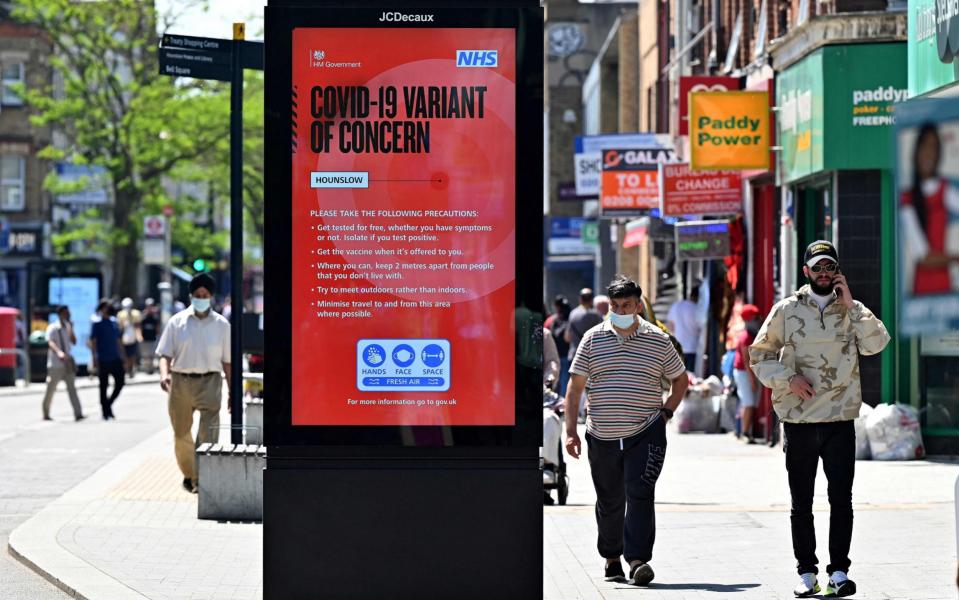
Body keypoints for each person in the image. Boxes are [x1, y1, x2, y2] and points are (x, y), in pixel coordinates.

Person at [749, 240, 890, 598]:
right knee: (802, 502)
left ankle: (839, 572)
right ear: (806, 272)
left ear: (838, 271)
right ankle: (807, 573)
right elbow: (759, 355)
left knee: (842, 499)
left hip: (840, 419)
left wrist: (852, 304)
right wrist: (787, 378)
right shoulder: (786, 310)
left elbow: (876, 345)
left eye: (830, 267)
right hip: (799, 420)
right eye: (818, 267)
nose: (825, 273)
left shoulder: (851, 310)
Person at [565, 275, 688, 587]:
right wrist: (570, 431)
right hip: (601, 434)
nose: (620, 309)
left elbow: (680, 379)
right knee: (610, 500)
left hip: (646, 431)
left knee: (640, 493)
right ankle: (611, 557)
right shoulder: (592, 339)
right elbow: (575, 388)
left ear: (638, 305)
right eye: (615, 305)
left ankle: (637, 561)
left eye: (627, 305)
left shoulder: (658, 340)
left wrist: (666, 412)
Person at [156, 273, 232, 494]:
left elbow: (227, 362)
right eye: (197, 295)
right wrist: (164, 375)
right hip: (181, 382)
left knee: (209, 433)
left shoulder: (222, 325)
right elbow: (164, 354)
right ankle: (190, 474)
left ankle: (203, 478)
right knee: (181, 433)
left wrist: (231, 391)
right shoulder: (176, 322)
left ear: (211, 297)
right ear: (191, 296)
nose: (201, 298)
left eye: (205, 295)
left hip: (210, 381)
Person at [900, 123, 959, 295]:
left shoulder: (944, 190)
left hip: (945, 286)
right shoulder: (907, 200)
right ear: (916, 153)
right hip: (923, 290)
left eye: (934, 147)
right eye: (925, 146)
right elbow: (923, 257)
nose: (929, 153)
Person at [566, 288, 603, 423]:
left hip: (575, 354)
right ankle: (587, 412)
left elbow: (568, 336)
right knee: (591, 385)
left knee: (575, 387)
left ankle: (578, 413)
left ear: (580, 299)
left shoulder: (573, 314)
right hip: (593, 356)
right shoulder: (596, 315)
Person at [42, 306, 84, 421]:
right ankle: (45, 412)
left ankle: (78, 413)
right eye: (66, 313)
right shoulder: (53, 327)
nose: (68, 315)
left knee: (72, 388)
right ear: (61, 314)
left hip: (67, 363)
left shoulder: (68, 327)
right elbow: (50, 342)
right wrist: (59, 352)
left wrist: (72, 328)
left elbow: (74, 342)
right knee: (51, 388)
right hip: (56, 363)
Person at [89, 299, 125, 420]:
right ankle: (105, 411)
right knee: (103, 386)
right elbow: (93, 342)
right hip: (103, 358)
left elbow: (118, 340)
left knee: (120, 382)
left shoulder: (114, 322)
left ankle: (108, 404)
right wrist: (94, 358)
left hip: (115, 357)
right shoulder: (97, 323)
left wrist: (122, 354)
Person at [733, 304, 761, 443]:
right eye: (755, 318)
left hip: (746, 372)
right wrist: (752, 381)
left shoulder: (751, 334)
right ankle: (745, 433)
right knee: (748, 403)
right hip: (744, 372)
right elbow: (746, 361)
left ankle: (742, 431)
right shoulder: (746, 337)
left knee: (746, 402)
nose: (758, 320)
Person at [666, 286, 702, 372]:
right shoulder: (698, 309)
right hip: (693, 349)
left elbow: (670, 327)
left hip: (677, 349)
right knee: (691, 379)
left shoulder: (676, 306)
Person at [546, 295, 572, 396]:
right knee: (564, 379)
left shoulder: (552, 320)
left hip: (555, 353)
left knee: (555, 379)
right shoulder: (570, 318)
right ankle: (562, 401)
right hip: (565, 353)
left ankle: (557, 399)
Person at [117, 297, 143, 377]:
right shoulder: (120, 314)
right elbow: (120, 328)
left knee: (132, 355)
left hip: (133, 337)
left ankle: (131, 369)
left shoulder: (136, 314)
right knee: (124, 355)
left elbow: (138, 326)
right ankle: (126, 370)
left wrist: (139, 336)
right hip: (124, 339)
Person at [139, 298, 160, 374]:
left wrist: (158, 337)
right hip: (145, 339)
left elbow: (157, 328)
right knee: (146, 356)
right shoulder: (143, 317)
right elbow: (140, 327)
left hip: (153, 339)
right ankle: (148, 368)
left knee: (152, 355)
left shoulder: (155, 317)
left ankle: (151, 369)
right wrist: (140, 337)